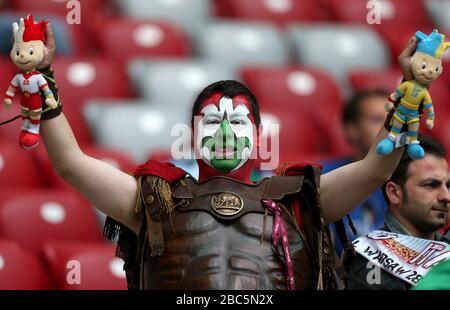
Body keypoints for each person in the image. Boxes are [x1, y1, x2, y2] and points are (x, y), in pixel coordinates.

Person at [21, 23, 418, 290]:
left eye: (239, 123)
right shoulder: (155, 198)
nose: (225, 134)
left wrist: (411, 86)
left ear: (259, 135)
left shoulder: (298, 199)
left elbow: (375, 168)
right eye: (211, 122)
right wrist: (46, 86)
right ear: (192, 135)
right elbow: (70, 163)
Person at [346, 135, 450, 290]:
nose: (446, 196)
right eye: (431, 185)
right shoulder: (370, 258)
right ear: (394, 193)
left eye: (448, 186)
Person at [321, 89, 389, 255]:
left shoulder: (421, 177)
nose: (390, 127)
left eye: (394, 120)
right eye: (378, 119)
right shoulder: (324, 176)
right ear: (351, 129)